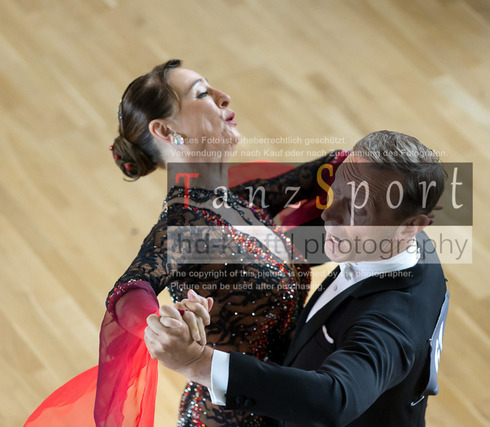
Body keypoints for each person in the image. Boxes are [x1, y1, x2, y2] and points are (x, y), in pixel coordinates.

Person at [146, 130, 451, 426]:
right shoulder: (405, 246)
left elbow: (334, 399)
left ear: (411, 226)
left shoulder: (391, 324)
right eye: (336, 193)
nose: (328, 214)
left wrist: (199, 363)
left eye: (358, 208)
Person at [104, 59, 347, 426]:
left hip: (288, 403)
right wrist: (159, 322)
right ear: (166, 130)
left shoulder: (243, 201)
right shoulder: (182, 228)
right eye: (202, 93)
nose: (224, 97)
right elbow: (128, 293)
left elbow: (328, 169)